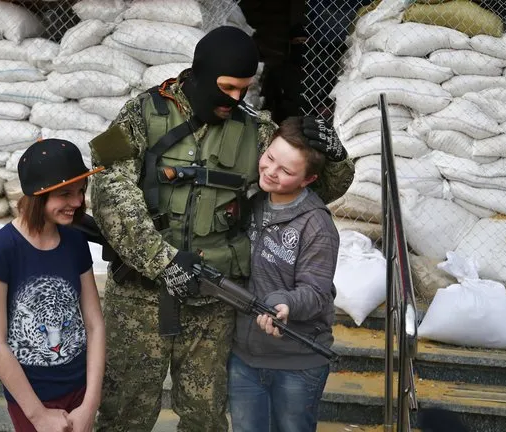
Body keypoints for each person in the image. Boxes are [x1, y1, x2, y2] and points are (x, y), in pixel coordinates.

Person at [88, 26, 354, 431]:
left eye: (245, 89)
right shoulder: (140, 114)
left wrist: (334, 156)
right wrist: (163, 262)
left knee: (207, 419)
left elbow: (316, 187)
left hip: (212, 306)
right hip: (138, 299)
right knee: (124, 414)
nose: (236, 99)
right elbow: (108, 189)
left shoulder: (255, 130)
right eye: (228, 87)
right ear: (200, 73)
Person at [0, 139, 106, 432]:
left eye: (81, 191)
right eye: (65, 193)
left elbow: (95, 325)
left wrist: (90, 403)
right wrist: (38, 415)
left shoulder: (75, 242)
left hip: (80, 389)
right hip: (31, 398)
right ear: (38, 195)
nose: (77, 202)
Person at [228, 116, 339, 432]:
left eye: (287, 171)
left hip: (297, 362)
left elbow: (316, 291)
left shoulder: (317, 226)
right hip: (244, 358)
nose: (271, 172)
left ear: (308, 179)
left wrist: (284, 303)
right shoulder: (253, 202)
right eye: (270, 158)